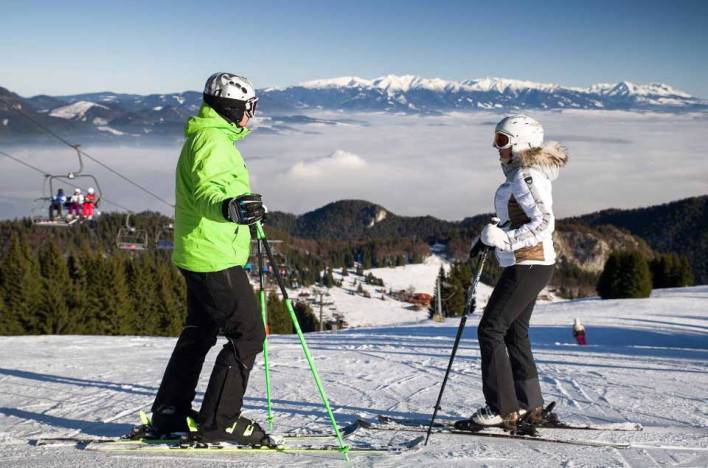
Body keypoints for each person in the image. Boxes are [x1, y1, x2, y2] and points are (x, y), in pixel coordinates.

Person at [149, 72, 268, 446]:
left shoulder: (209, 136)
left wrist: (241, 208)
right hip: (213, 255)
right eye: (250, 107)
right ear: (234, 108)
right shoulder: (213, 140)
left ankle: (169, 412)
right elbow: (206, 191)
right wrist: (229, 207)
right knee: (247, 333)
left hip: (200, 249)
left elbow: (214, 188)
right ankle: (221, 422)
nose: (252, 114)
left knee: (200, 331)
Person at [460, 115, 568, 431]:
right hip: (530, 263)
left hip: (528, 263)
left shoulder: (527, 177)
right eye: (496, 139)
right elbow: (523, 219)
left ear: (521, 142)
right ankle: (529, 404)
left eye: (503, 140)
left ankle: (502, 408)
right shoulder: (521, 175)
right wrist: (490, 235)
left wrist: (506, 240)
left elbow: (545, 223)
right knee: (512, 331)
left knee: (490, 330)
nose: (496, 147)